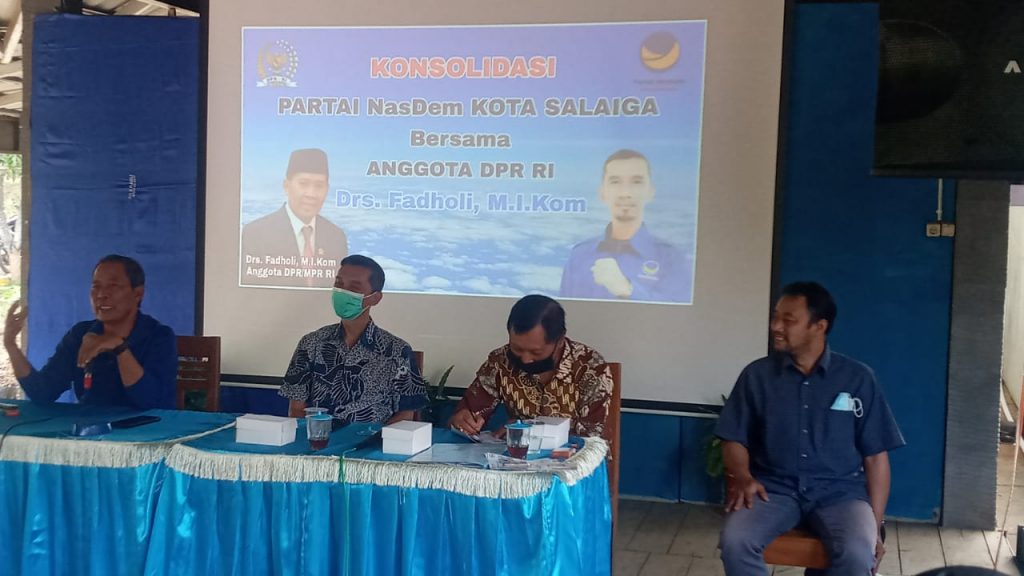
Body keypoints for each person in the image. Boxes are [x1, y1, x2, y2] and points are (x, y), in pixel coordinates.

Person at [715, 282, 905, 576]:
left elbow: (876, 458)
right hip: (773, 490)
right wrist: (743, 476)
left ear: (819, 326)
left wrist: (876, 525)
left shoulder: (857, 378)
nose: (776, 326)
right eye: (775, 317)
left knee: (857, 553)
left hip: (840, 494)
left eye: (788, 320)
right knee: (735, 542)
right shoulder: (757, 375)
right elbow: (733, 438)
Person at [3, 254, 177, 409]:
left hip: (145, 431)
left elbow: (151, 403)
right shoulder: (80, 335)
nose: (101, 295)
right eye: (96, 287)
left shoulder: (159, 337)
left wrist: (119, 348)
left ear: (138, 293)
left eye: (113, 286)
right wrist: (11, 345)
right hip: (90, 430)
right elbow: (43, 392)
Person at [279, 254, 427, 423]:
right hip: (318, 437)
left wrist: (378, 438)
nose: (343, 292)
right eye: (339, 284)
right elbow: (297, 409)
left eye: (354, 288)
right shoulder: (311, 344)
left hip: (374, 438)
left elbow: (405, 415)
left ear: (375, 298)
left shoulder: (397, 351)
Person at [449, 295, 614, 443]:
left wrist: (529, 429)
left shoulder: (590, 368)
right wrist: (463, 420)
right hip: (514, 461)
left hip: (574, 462)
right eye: (517, 349)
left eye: (536, 352)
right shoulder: (500, 361)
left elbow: (594, 438)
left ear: (560, 341)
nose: (525, 359)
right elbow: (470, 411)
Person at [560, 149, 693, 303]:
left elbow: (678, 314)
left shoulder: (672, 259)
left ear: (650, 192)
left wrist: (627, 289)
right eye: (615, 182)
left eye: (636, 182)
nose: (625, 193)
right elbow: (564, 313)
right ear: (602, 192)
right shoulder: (579, 256)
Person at [240, 148, 348, 288]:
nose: (311, 194)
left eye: (319, 186)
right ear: (286, 186)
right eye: (303, 184)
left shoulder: (336, 237)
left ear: (327, 189)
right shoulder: (255, 234)